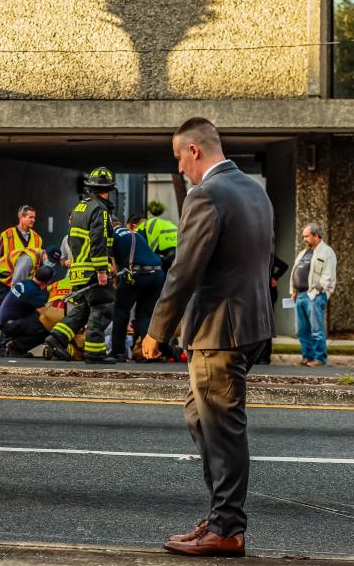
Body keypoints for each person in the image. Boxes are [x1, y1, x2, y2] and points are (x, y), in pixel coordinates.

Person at [142, 117, 273, 558]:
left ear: (194, 151)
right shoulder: (254, 189)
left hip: (220, 330)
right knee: (202, 419)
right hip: (251, 325)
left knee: (221, 428)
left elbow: (184, 270)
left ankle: (227, 528)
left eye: (179, 158)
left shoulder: (206, 195)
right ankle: (221, 517)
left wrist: (156, 330)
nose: (179, 168)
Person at [44, 167, 117, 364]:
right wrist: (102, 270)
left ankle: (57, 337)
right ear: (109, 188)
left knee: (83, 309)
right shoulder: (100, 210)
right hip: (93, 270)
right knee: (101, 307)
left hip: (77, 270)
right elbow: (98, 240)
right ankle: (95, 353)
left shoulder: (79, 207)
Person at [109, 220, 164, 362]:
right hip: (157, 274)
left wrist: (113, 280)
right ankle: (150, 353)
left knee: (121, 311)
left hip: (136, 274)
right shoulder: (136, 235)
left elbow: (113, 267)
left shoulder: (111, 235)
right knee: (145, 314)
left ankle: (118, 352)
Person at [290, 223, 337, 367]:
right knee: (301, 330)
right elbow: (295, 271)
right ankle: (307, 357)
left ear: (316, 235)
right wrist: (293, 291)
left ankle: (319, 359)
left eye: (307, 236)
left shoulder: (326, 252)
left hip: (314, 295)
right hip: (300, 296)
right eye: (303, 236)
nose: (304, 239)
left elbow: (328, 275)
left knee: (317, 330)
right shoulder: (304, 252)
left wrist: (318, 291)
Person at [0, 265, 55, 357]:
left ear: (35, 274)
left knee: (37, 320)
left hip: (7, 322)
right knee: (46, 326)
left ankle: (15, 345)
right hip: (10, 324)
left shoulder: (26, 283)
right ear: (48, 281)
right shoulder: (34, 291)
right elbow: (45, 313)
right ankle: (16, 347)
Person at [0, 205, 43, 302]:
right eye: (30, 217)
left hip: (26, 283)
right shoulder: (7, 234)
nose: (33, 220)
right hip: (6, 281)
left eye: (34, 217)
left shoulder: (37, 238)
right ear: (21, 217)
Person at [258, 254, 289, 365]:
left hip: (269, 294)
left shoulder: (268, 254)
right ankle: (256, 357)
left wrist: (275, 277)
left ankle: (264, 357)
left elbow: (284, 266)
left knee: (266, 325)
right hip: (255, 294)